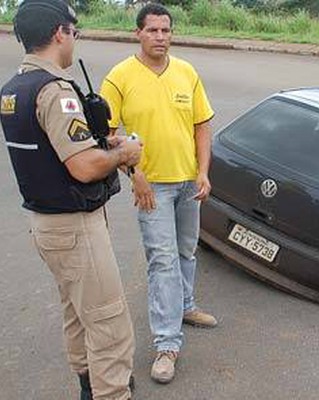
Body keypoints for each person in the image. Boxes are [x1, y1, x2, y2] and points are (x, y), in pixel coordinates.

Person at [0, 0, 143, 399]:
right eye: (74, 32)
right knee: (108, 322)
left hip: (46, 225)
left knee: (77, 313)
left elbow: (52, 149)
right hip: (75, 226)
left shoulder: (13, 89)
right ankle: (110, 392)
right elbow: (83, 167)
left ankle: (87, 384)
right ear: (61, 32)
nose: (73, 40)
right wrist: (123, 154)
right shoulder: (55, 90)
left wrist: (102, 143)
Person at [100, 2, 217, 384]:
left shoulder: (187, 72)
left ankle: (183, 306)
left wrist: (203, 172)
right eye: (152, 30)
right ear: (138, 33)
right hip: (153, 188)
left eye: (166, 30)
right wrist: (135, 174)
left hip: (188, 183)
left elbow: (202, 125)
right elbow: (108, 135)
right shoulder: (119, 78)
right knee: (162, 261)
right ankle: (167, 345)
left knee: (186, 250)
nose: (160, 37)